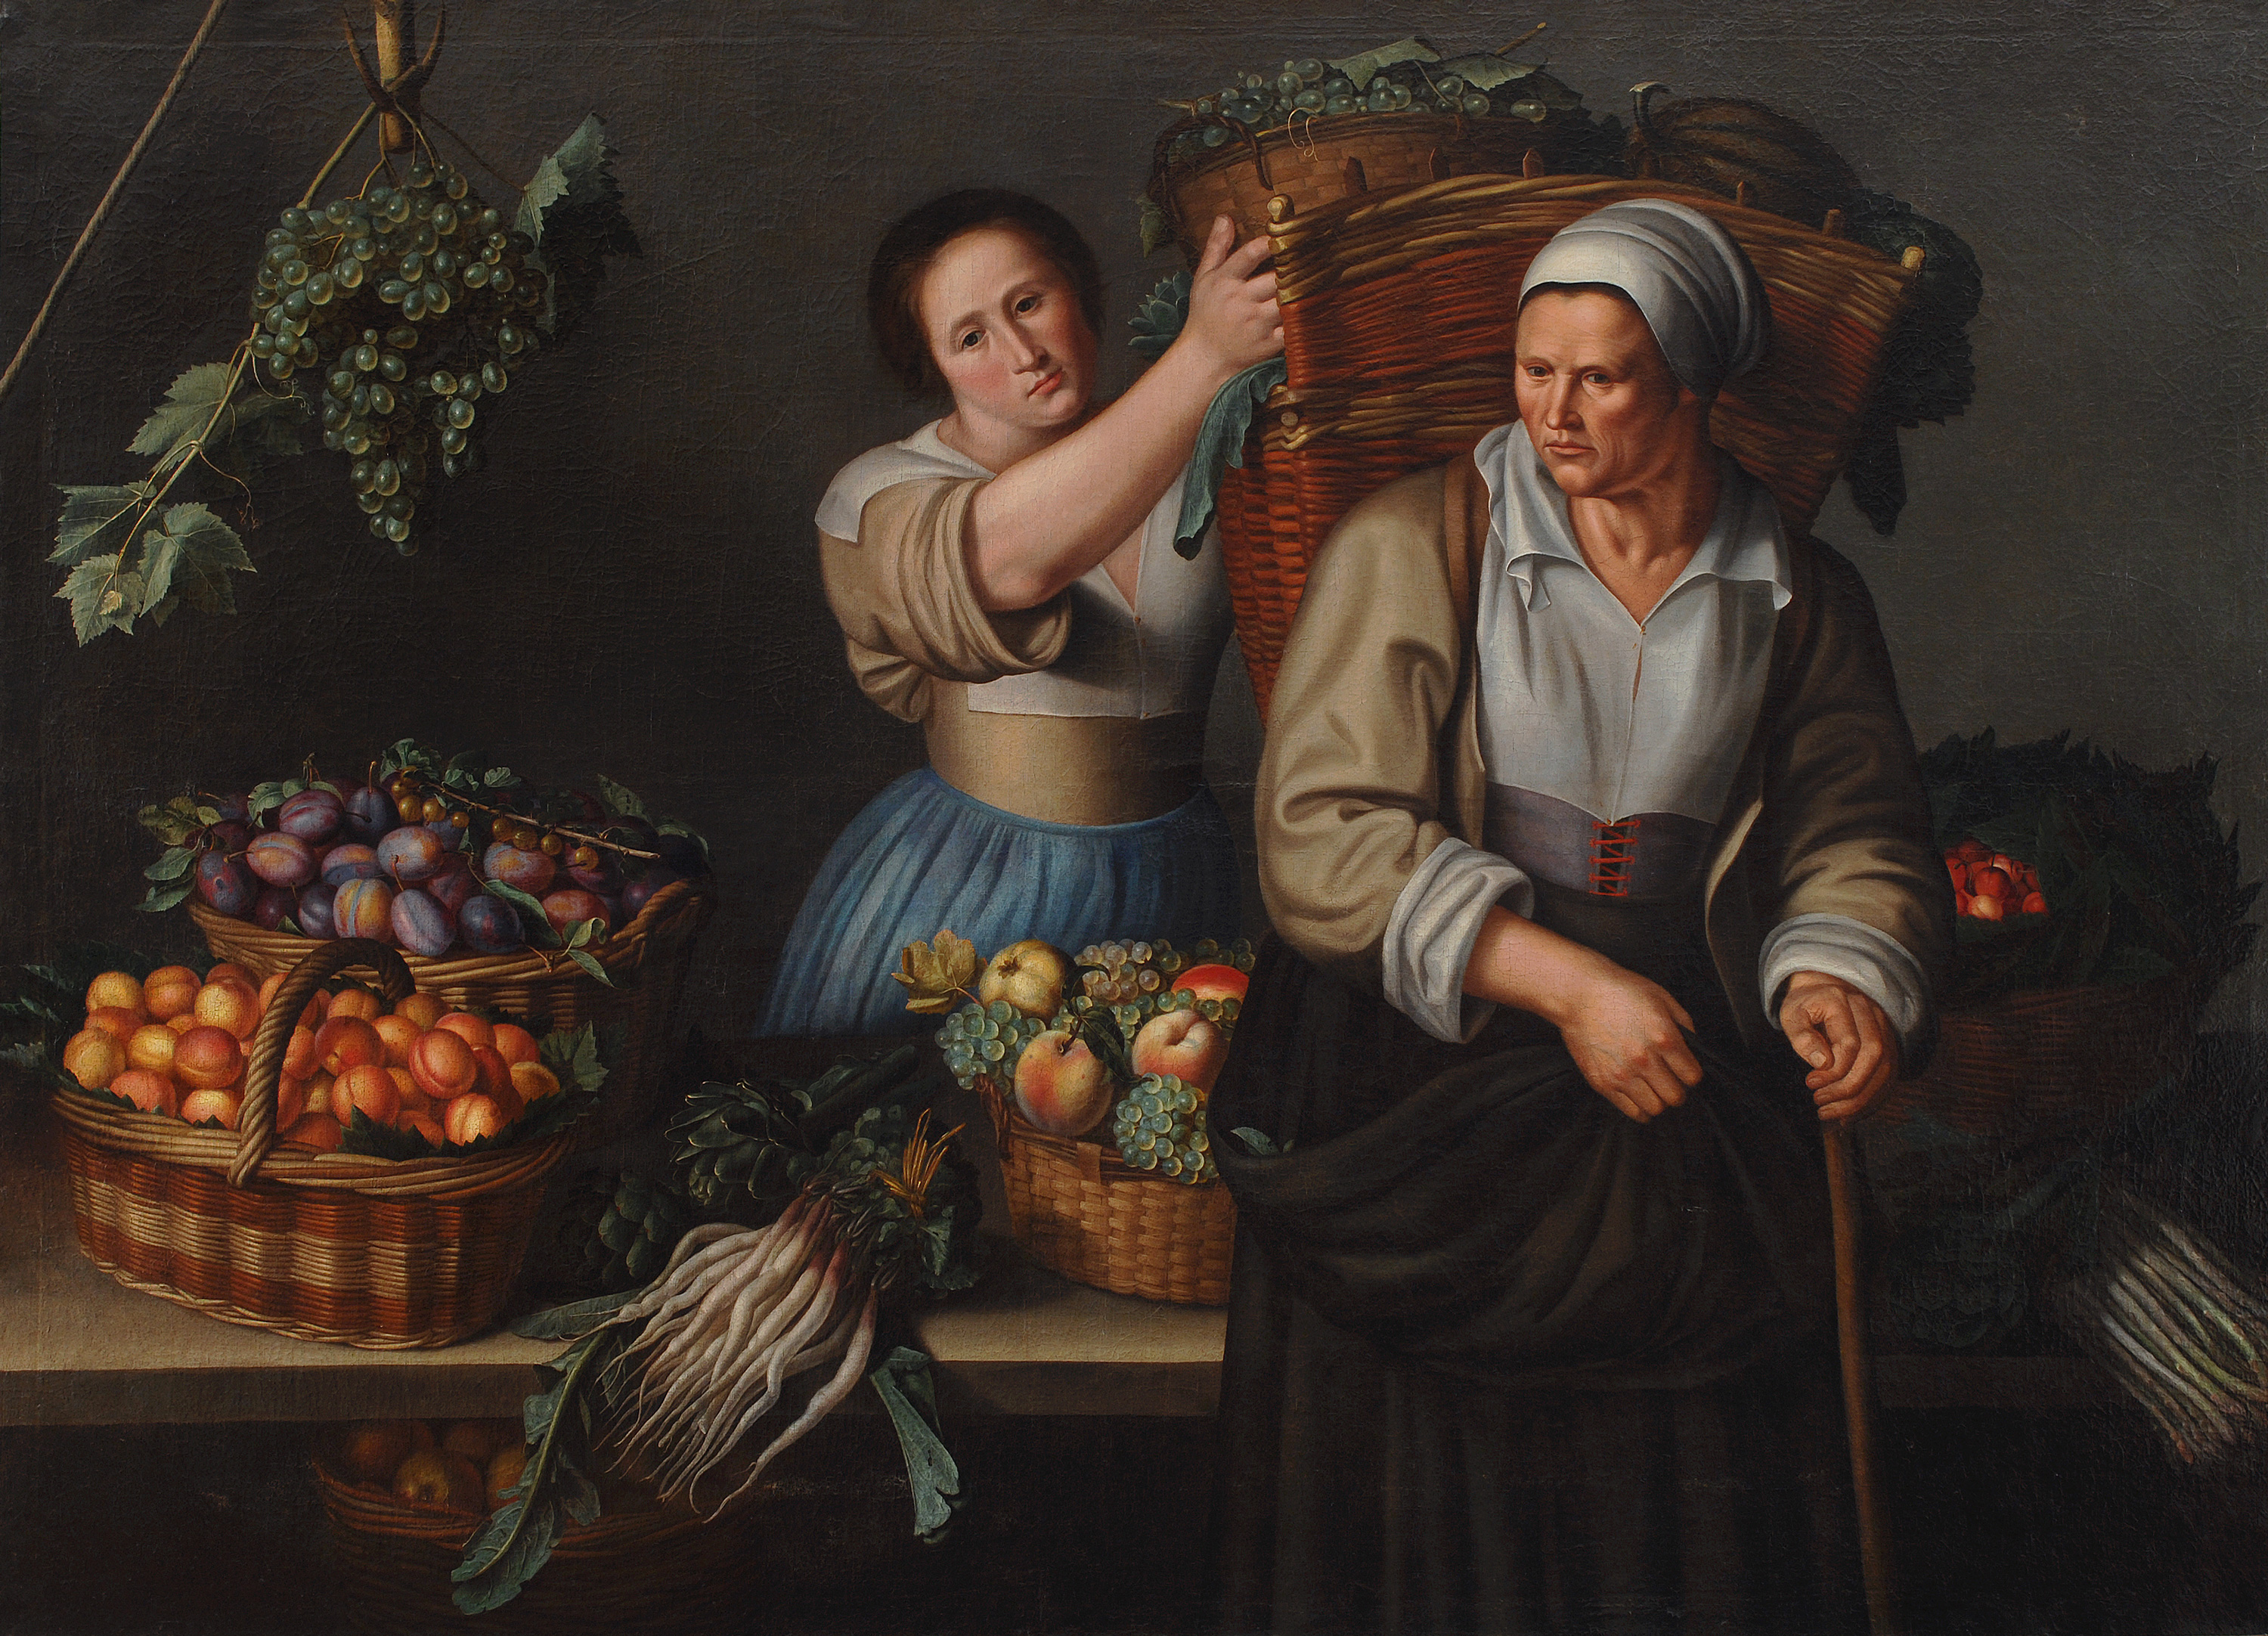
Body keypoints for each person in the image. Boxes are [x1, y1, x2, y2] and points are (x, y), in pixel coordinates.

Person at [1208, 200, 1954, 1634]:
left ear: (1688, 386)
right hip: (1425, 1047)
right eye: (1532, 368)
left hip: (1685, 1031)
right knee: (1439, 1464)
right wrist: (1561, 984)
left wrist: (1837, 972)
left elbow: (1857, 828)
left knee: (1687, 1441)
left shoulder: (1795, 590)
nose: (1554, 409)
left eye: (1599, 376)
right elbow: (1321, 829)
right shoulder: (1413, 538)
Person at [758, 191, 1282, 1036]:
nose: (1023, 351)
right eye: (972, 338)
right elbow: (1005, 564)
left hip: (1182, 875)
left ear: (1080, 289)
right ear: (931, 363)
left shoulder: (1213, 447)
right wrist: (1204, 357)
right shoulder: (874, 497)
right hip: (978, 886)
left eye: (1030, 302)